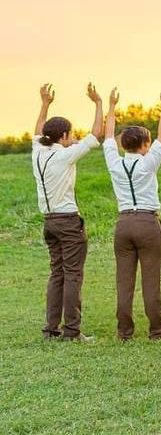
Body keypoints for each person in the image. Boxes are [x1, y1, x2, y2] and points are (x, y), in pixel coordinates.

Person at [32, 83, 104, 341]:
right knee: (73, 275)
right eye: (71, 134)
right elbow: (97, 135)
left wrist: (45, 104)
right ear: (63, 136)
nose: (73, 137)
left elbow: (38, 131)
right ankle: (72, 332)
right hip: (68, 221)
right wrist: (98, 103)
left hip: (48, 222)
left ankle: (51, 330)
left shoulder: (37, 151)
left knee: (57, 274)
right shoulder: (64, 155)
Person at [103, 88, 161, 341]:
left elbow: (108, 134)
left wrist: (111, 106)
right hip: (147, 222)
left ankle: (124, 331)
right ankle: (157, 330)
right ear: (145, 144)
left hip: (123, 223)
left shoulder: (114, 161)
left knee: (124, 281)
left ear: (124, 144)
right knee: (151, 278)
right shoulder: (147, 162)